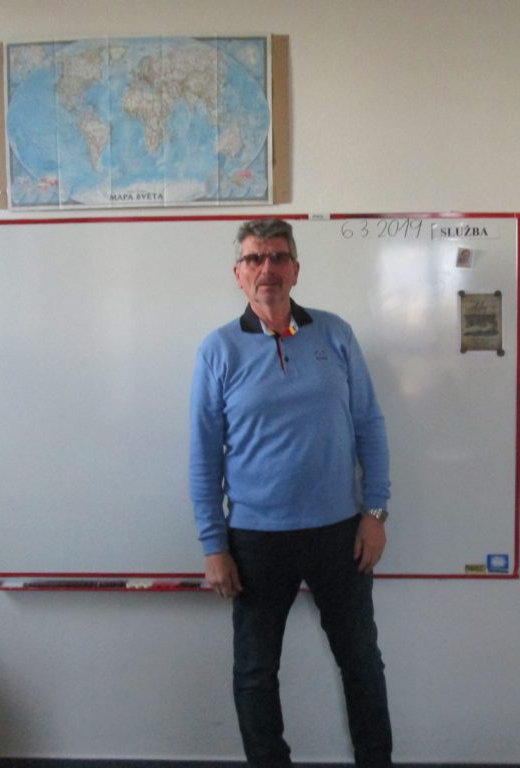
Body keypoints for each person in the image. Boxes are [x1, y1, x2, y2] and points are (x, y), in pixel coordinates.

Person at [189, 218, 393, 768]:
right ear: (238, 273)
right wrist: (213, 545)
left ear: (296, 269)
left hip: (340, 534)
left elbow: (370, 425)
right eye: (255, 258)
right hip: (255, 539)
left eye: (278, 257)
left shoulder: (335, 334)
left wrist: (375, 511)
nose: (268, 269)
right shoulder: (218, 350)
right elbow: (204, 455)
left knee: (362, 664)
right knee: (255, 673)